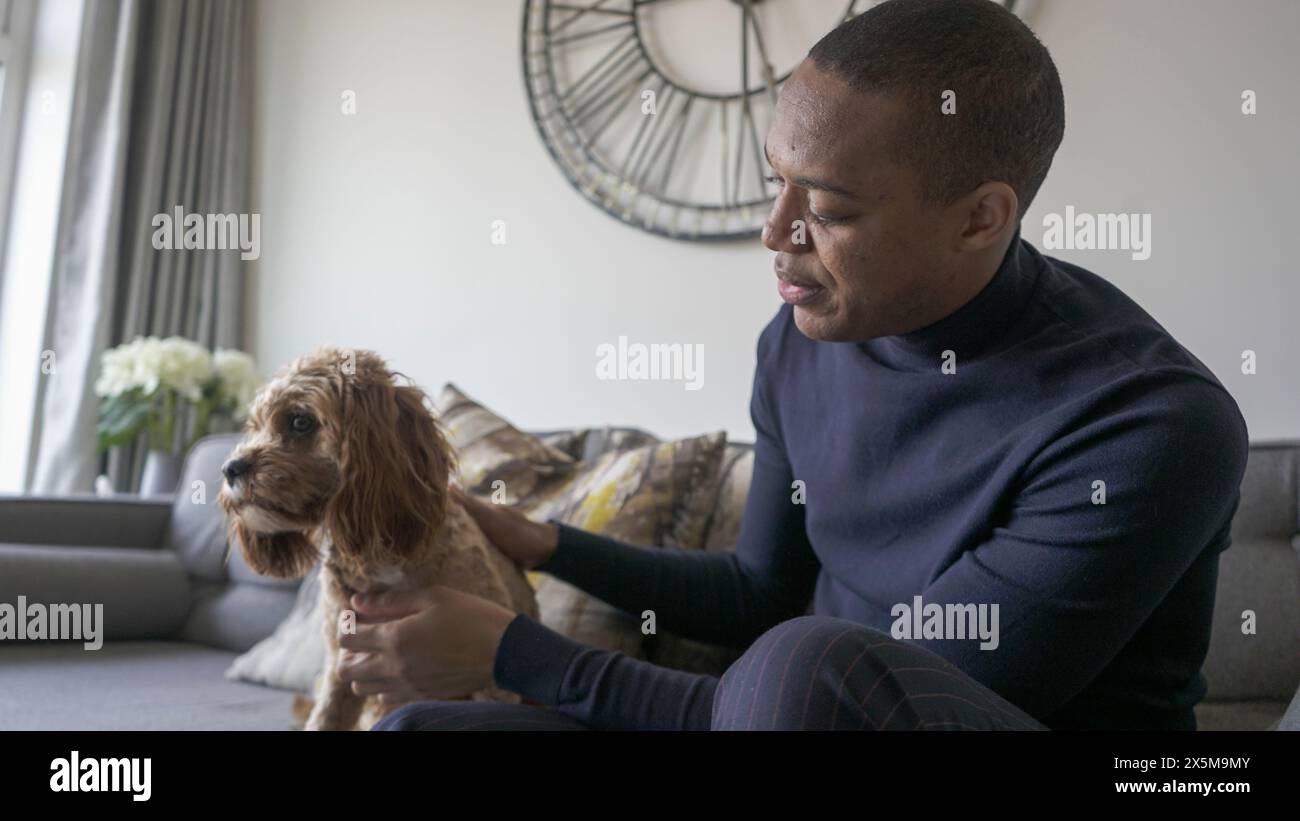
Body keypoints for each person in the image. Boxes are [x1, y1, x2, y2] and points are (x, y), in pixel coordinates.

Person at [342, 0, 1248, 731]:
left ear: (980, 217)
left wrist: (512, 652)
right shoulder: (799, 340)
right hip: (790, 707)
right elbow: (759, 592)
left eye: (830, 207)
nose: (775, 232)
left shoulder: (1147, 424)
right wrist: (545, 543)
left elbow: (837, 700)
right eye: (777, 178)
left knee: (805, 661)